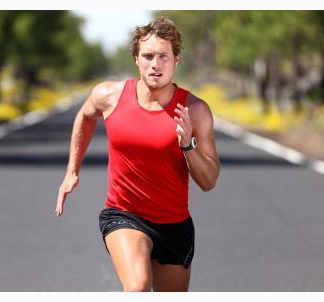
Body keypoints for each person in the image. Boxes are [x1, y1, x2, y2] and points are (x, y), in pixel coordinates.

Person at [55, 16, 220, 292]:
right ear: (136, 59)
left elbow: (209, 181)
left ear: (177, 59)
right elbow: (85, 116)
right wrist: (72, 170)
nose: (156, 64)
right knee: (138, 288)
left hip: (174, 223)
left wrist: (187, 145)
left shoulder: (195, 110)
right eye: (148, 56)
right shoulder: (110, 95)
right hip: (124, 214)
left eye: (164, 56)